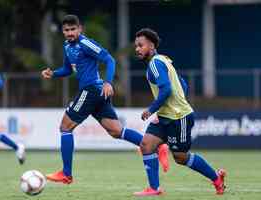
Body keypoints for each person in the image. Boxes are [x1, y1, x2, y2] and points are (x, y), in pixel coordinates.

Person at [41, 15, 169, 184]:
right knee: (116, 131)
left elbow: (109, 59)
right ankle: (158, 147)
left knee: (65, 127)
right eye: (66, 30)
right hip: (95, 93)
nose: (70, 33)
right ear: (63, 31)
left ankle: (66, 173)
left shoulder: (85, 43)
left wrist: (108, 82)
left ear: (80, 29)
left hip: (91, 90)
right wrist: (54, 73)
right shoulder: (67, 46)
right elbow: (67, 69)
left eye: (73, 29)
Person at [133, 28, 226, 196]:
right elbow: (182, 84)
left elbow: (167, 89)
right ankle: (154, 188)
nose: (137, 49)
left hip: (178, 118)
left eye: (141, 45)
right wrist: (162, 110)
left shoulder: (155, 63)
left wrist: (152, 109)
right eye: (136, 46)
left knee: (181, 157)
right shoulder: (164, 60)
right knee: (146, 145)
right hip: (167, 116)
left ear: (152, 46)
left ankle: (216, 178)